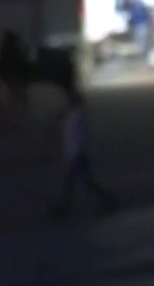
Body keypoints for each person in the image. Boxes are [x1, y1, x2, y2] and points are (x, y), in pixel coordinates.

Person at [49, 67, 118, 220]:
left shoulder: (76, 116)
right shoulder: (75, 114)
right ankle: (106, 201)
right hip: (76, 152)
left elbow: (77, 135)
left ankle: (65, 208)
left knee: (77, 182)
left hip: (77, 153)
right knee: (84, 182)